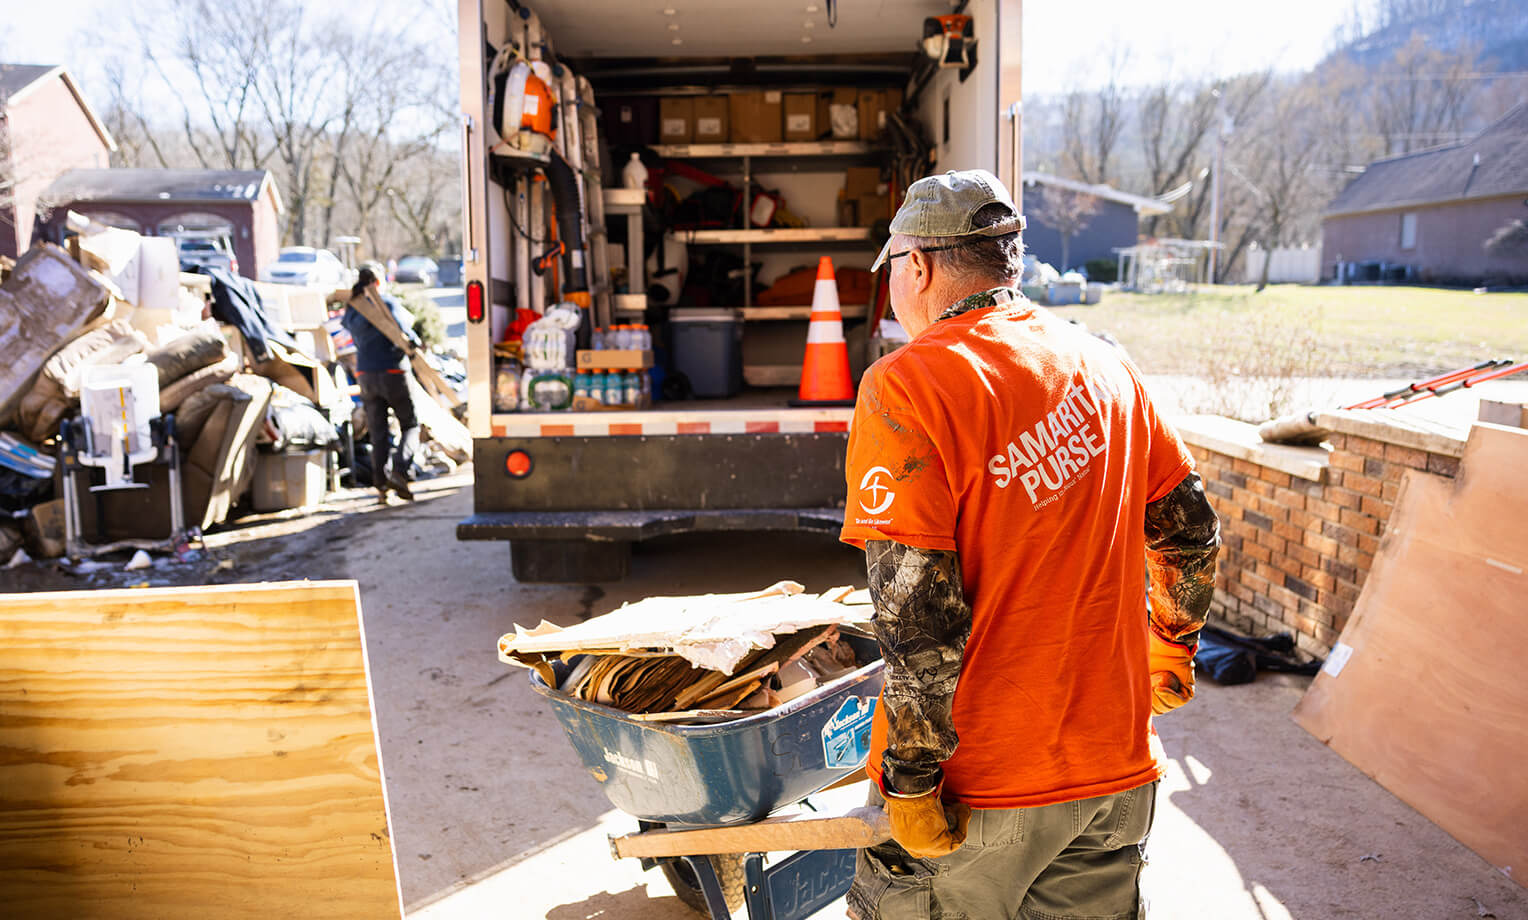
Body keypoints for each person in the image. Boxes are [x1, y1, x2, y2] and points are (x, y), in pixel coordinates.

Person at [840, 169, 1220, 920]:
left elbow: (919, 619)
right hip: (1114, 775)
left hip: (983, 789)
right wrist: (1170, 647)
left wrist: (911, 778)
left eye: (895, 274)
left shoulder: (907, 385)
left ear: (917, 266)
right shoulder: (1106, 364)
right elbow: (1191, 531)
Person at [343, 262, 421, 503]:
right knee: (410, 425)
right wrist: (415, 344)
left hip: (365, 374)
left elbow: (348, 329)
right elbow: (408, 335)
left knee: (378, 432)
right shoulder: (386, 304)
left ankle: (381, 487)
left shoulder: (353, 309)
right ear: (377, 282)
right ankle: (399, 471)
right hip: (393, 371)